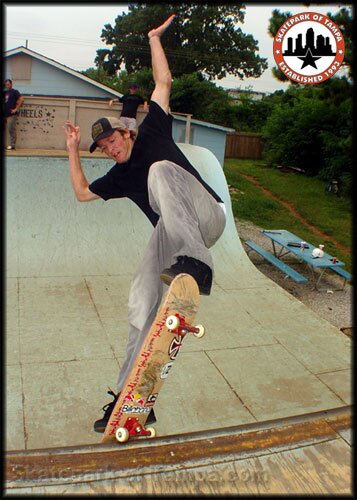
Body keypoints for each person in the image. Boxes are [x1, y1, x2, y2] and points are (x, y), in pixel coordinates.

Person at [63, 14, 226, 433]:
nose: (111, 149)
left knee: (159, 172)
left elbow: (164, 82)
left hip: (207, 215)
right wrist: (72, 150)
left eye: (113, 140)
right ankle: (130, 396)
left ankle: (198, 264)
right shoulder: (116, 175)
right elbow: (82, 193)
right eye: (103, 147)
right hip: (173, 238)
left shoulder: (152, 127)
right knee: (140, 303)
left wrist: (154, 40)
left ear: (127, 133)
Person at [4, 79, 24, 150]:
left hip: (11, 114)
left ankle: (12, 145)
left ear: (11, 84)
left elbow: (21, 99)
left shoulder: (14, 92)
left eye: (8, 84)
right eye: (6, 85)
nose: (7, 86)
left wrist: (16, 109)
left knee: (11, 129)